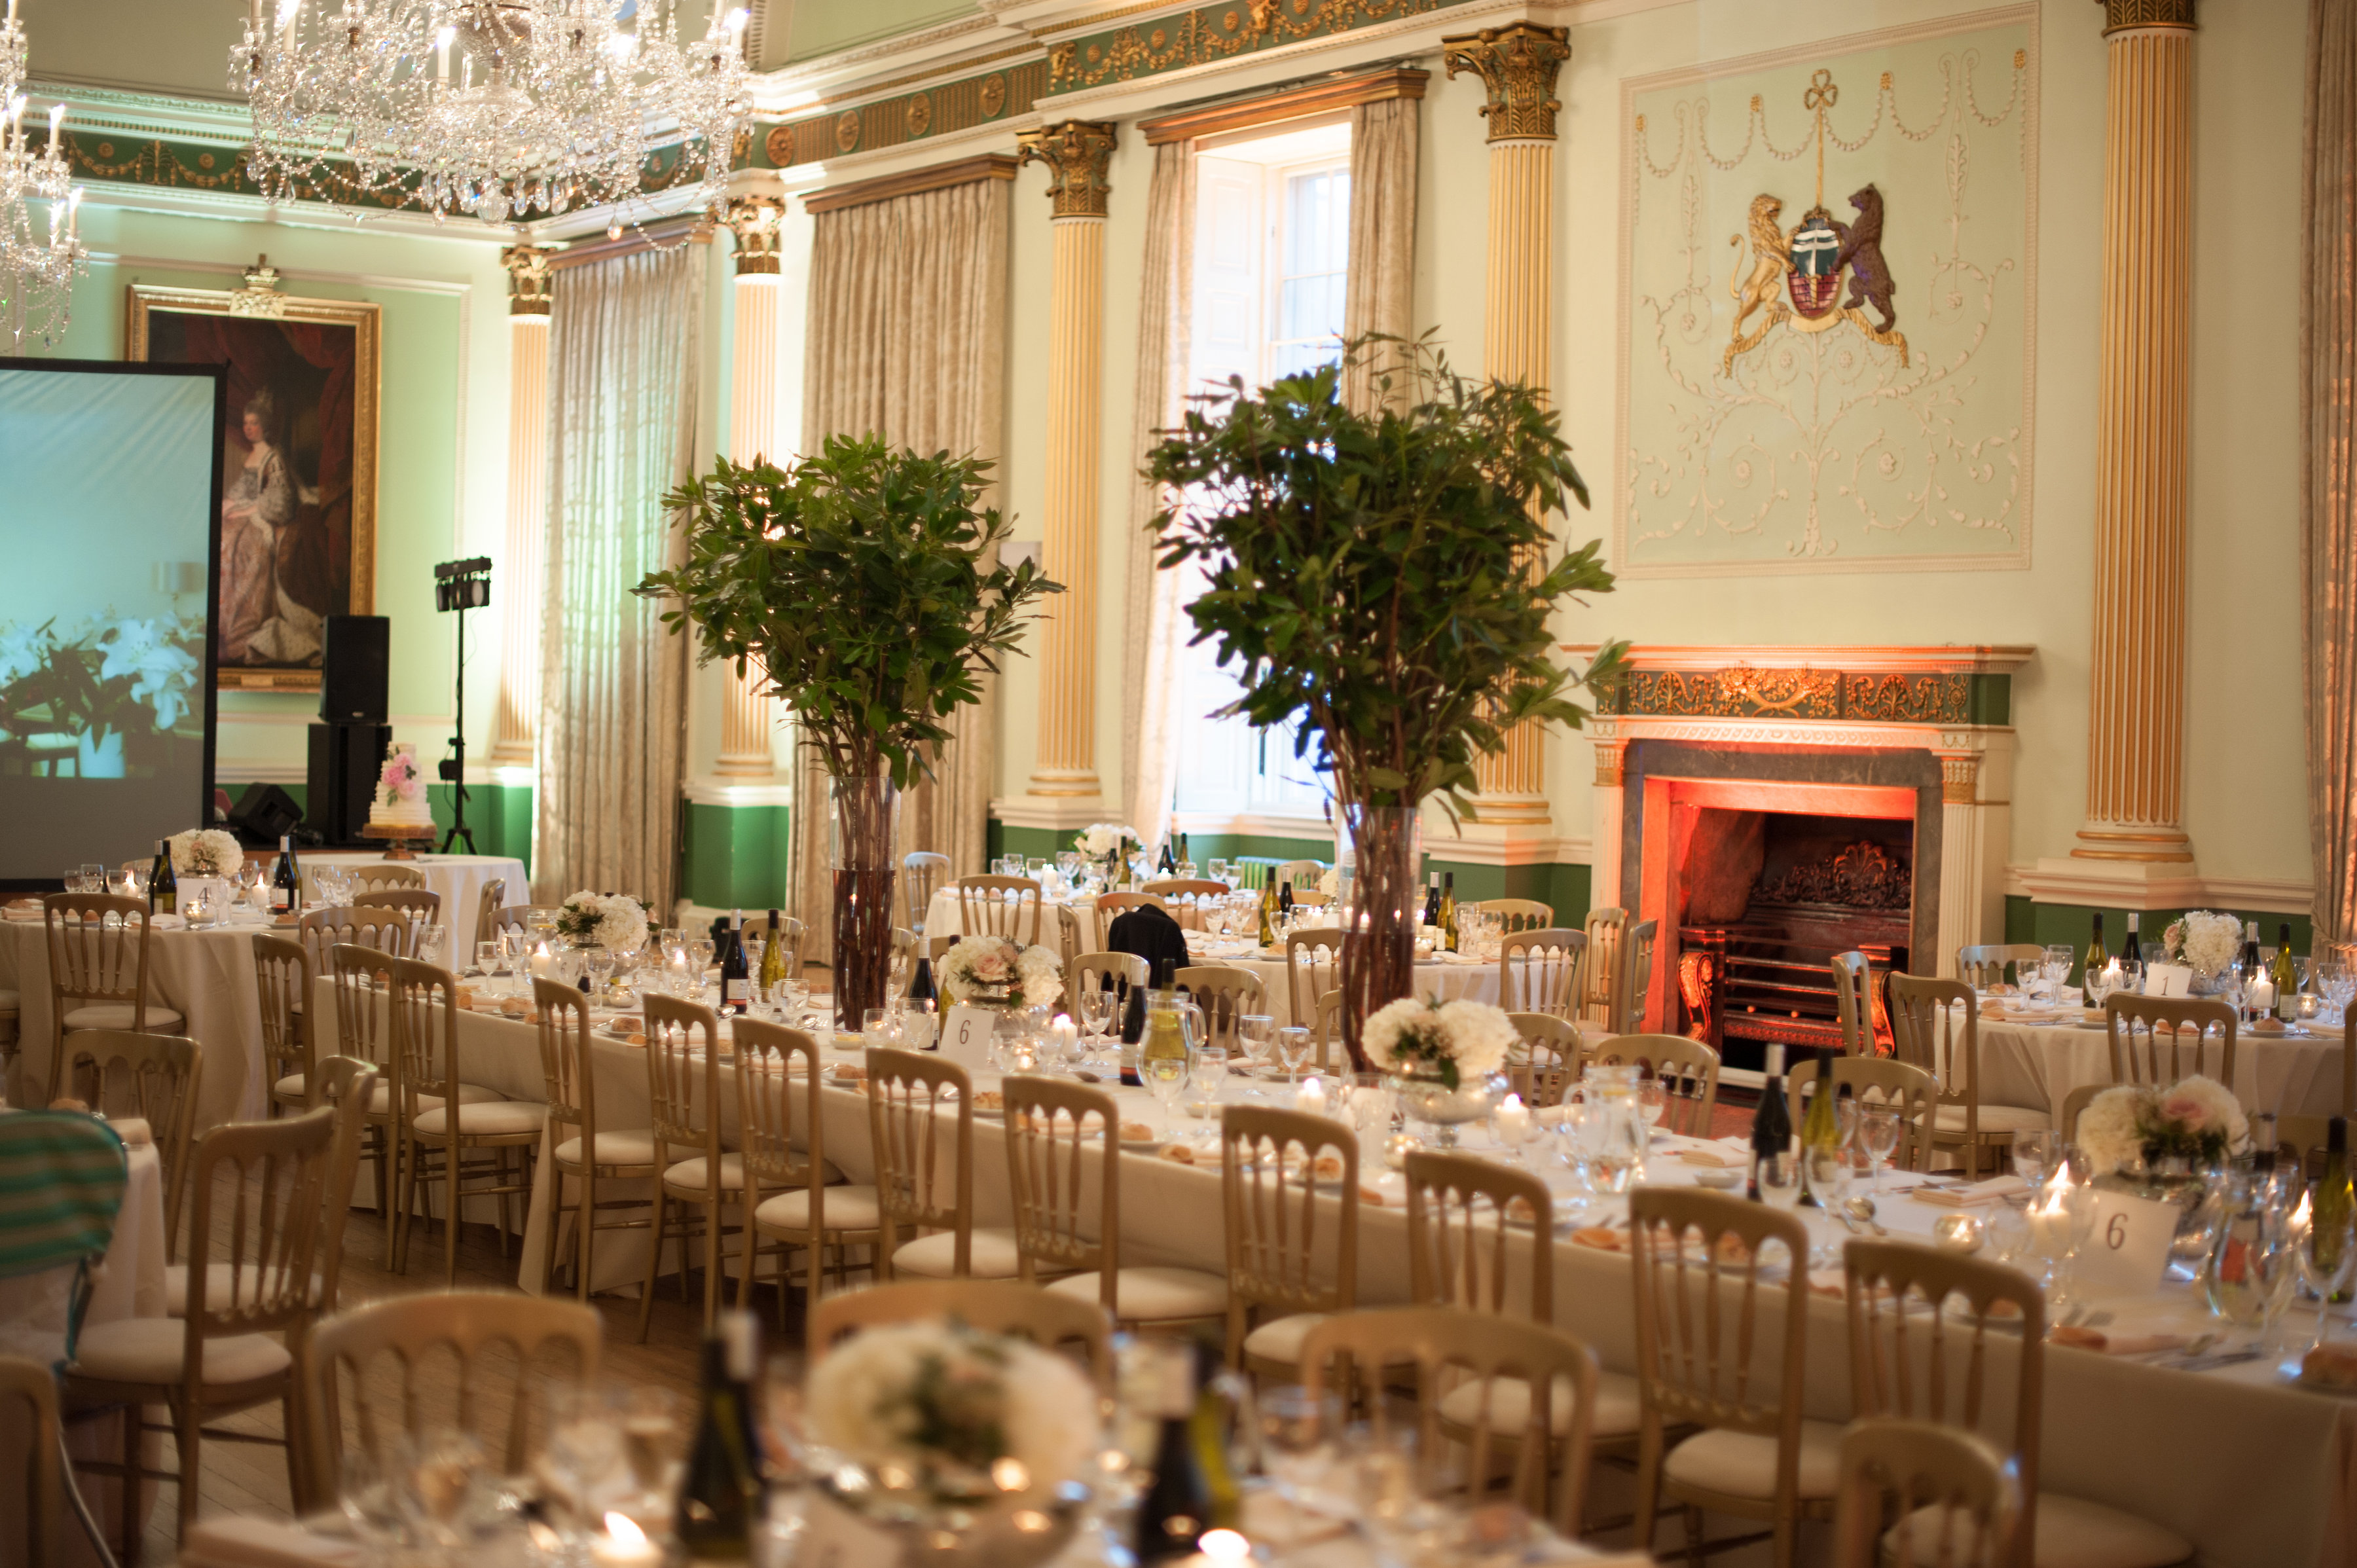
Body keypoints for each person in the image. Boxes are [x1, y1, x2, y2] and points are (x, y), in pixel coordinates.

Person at [218, 387, 325, 666]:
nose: (249, 428)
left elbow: (280, 501)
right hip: (248, 513)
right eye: (246, 423)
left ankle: (243, 628)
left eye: (254, 423)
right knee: (222, 539)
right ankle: (225, 625)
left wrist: (248, 509)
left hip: (264, 517)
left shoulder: (272, 457)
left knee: (242, 546)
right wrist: (230, 504)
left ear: (264, 426)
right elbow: (243, 490)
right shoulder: (250, 457)